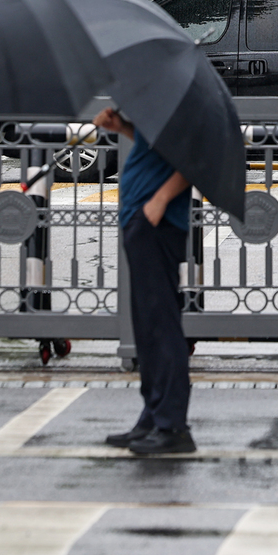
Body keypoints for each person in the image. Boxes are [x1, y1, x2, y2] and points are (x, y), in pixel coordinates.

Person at [92, 106, 196, 454]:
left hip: (158, 224)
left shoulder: (180, 105)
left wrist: (159, 201)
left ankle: (173, 426)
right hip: (142, 221)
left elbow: (192, 160)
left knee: (161, 323)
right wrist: (122, 127)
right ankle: (153, 415)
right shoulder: (160, 106)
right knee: (147, 325)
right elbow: (157, 148)